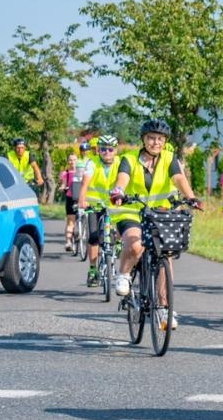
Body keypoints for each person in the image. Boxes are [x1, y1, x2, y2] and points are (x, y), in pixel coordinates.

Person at [109, 119, 201, 328]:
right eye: (151, 138)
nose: (155, 142)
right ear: (143, 139)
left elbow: (179, 179)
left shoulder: (169, 159)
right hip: (131, 211)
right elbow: (122, 179)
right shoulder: (129, 159)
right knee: (135, 244)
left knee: (165, 256)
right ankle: (123, 274)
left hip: (159, 215)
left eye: (160, 139)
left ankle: (163, 308)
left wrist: (191, 197)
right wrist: (118, 192)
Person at [75, 135, 122, 287]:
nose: (106, 152)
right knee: (94, 236)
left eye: (110, 149)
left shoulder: (121, 163)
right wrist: (82, 200)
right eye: (103, 149)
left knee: (123, 225)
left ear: (115, 150)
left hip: (114, 204)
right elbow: (85, 182)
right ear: (98, 150)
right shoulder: (92, 163)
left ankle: (119, 243)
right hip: (94, 205)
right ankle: (93, 270)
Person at [58, 151, 86, 252]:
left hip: (81, 198)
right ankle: (68, 242)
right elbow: (63, 184)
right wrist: (62, 187)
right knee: (70, 221)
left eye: (74, 160)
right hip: (71, 198)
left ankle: (82, 233)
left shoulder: (83, 172)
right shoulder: (65, 173)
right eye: (70, 160)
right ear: (67, 161)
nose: (72, 162)